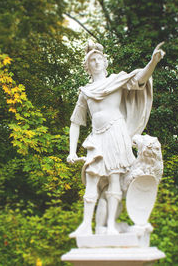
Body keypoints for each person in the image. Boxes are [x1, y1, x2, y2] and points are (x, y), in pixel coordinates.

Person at [67, 41, 165, 237]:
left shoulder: (117, 81)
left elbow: (140, 79)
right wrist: (72, 151)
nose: (95, 63)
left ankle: (111, 225)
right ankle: (86, 224)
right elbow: (75, 122)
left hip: (116, 134)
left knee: (114, 180)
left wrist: (153, 62)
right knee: (92, 178)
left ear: (105, 62)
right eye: (92, 60)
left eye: (98, 59)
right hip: (97, 137)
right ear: (88, 66)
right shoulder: (85, 91)